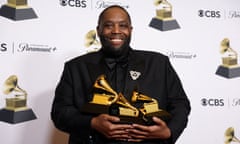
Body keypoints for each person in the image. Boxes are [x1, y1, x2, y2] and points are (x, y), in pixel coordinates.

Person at [51, 5, 191, 144]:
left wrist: (169, 131)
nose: (116, 31)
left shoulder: (158, 63)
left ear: (130, 30)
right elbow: (60, 113)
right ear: (98, 30)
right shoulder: (75, 67)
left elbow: (180, 104)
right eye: (108, 25)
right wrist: (92, 123)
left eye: (123, 25)